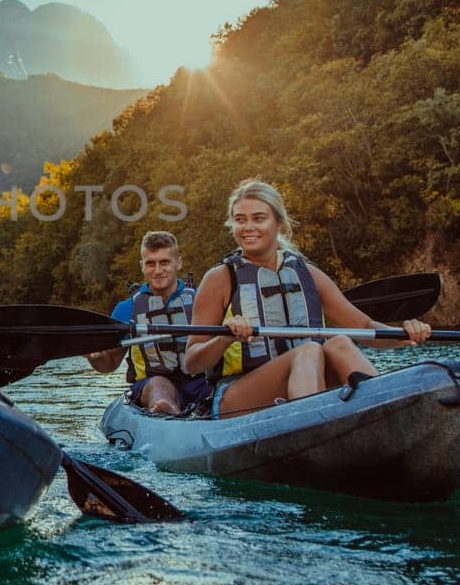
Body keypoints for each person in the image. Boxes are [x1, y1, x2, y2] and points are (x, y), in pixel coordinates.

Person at [183, 178, 431, 418]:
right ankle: (312, 429)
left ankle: (388, 416)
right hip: (237, 396)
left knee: (340, 342)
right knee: (309, 350)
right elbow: (192, 363)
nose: (248, 227)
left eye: (259, 218)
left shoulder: (308, 274)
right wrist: (224, 338)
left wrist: (401, 335)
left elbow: (365, 327)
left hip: (305, 382)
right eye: (240, 220)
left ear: (278, 223)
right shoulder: (220, 278)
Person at [86, 231, 213, 416]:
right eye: (150, 263)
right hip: (152, 384)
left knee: (222, 386)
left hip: (200, 382)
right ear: (142, 266)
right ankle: (166, 412)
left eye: (165, 262)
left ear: (178, 262)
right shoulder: (127, 308)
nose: (158, 270)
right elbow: (110, 364)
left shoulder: (203, 300)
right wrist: (95, 358)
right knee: (158, 384)